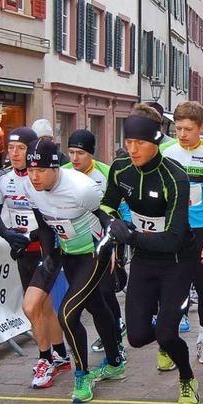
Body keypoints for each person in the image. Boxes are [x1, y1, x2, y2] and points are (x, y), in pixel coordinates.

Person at [98, 104, 200, 404]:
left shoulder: (175, 177)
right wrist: (111, 221)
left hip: (177, 261)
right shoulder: (120, 169)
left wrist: (129, 235)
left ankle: (187, 379)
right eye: (128, 142)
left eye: (139, 143)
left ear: (156, 141)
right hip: (143, 259)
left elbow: (172, 238)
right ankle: (164, 331)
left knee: (167, 333)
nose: (132, 149)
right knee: (138, 338)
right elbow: (106, 206)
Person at [22, 138, 124, 403]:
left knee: (67, 313)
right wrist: (47, 257)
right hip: (69, 253)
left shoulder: (82, 188)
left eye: (41, 170)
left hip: (94, 252)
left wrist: (113, 251)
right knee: (97, 306)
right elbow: (44, 225)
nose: (34, 177)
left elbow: (110, 219)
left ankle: (82, 374)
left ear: (56, 168)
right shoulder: (30, 186)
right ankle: (115, 361)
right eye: (30, 170)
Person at [0, 127, 70, 389]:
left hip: (47, 248)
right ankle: (61, 354)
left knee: (31, 307)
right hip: (23, 250)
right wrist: (10, 235)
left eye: (20, 148)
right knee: (43, 308)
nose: (14, 153)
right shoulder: (2, 178)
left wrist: (36, 241)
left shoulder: (40, 178)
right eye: (10, 148)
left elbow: (49, 221)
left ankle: (45, 359)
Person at [160, 101, 203, 363]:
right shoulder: (165, 152)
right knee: (169, 288)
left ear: (201, 127)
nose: (183, 134)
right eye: (178, 129)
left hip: (200, 231)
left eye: (188, 129)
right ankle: (167, 343)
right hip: (172, 229)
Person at [62, 129, 128, 357]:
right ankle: (108, 334)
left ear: (91, 153)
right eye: (70, 152)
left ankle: (117, 338)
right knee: (93, 298)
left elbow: (121, 209)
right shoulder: (63, 173)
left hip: (104, 242)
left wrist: (119, 248)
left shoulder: (106, 173)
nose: (74, 158)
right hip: (76, 245)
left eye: (80, 153)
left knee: (107, 291)